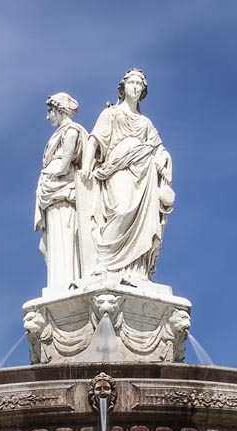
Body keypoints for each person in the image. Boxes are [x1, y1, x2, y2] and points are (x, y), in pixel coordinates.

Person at [80, 68, 173, 280]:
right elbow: (94, 140)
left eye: (139, 84)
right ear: (123, 87)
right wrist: (86, 166)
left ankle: (136, 269)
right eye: (132, 83)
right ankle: (104, 261)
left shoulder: (146, 123)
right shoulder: (111, 113)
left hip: (145, 174)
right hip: (118, 167)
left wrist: (163, 158)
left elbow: (160, 149)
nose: (136, 87)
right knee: (121, 210)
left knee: (145, 220)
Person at [35, 92, 87, 290]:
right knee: (49, 244)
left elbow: (65, 166)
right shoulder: (61, 133)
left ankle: (65, 283)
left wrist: (50, 175)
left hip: (62, 190)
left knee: (64, 238)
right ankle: (59, 283)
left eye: (50, 111)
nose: (48, 116)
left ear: (60, 109)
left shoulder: (71, 131)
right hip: (52, 192)